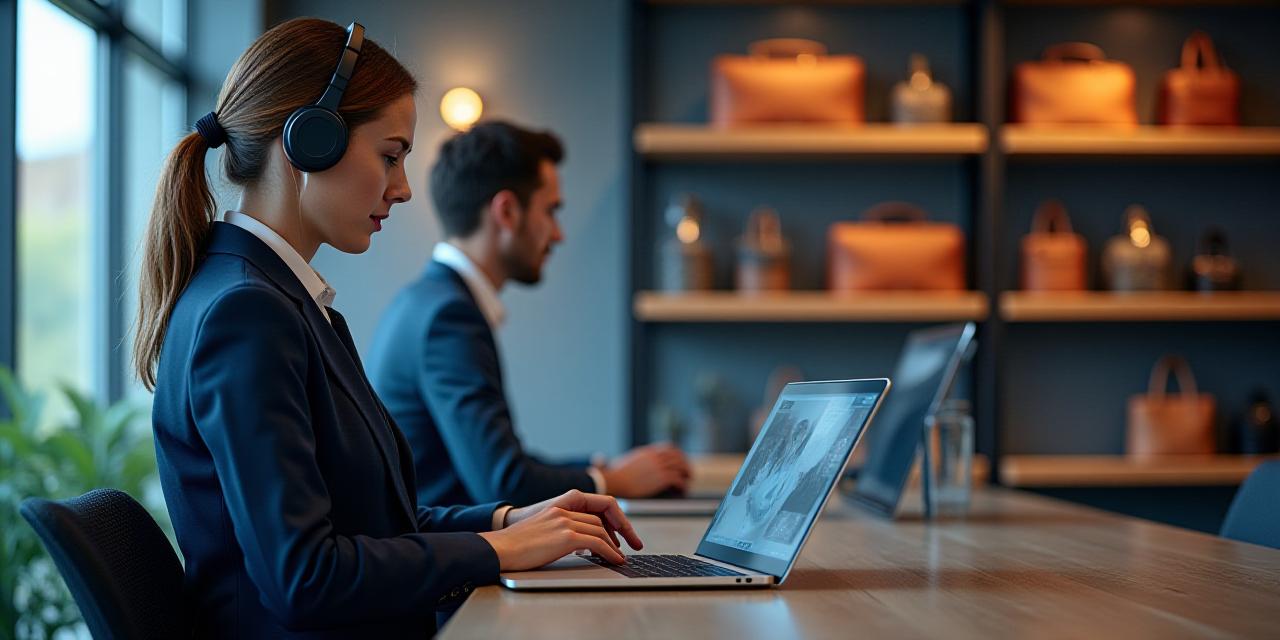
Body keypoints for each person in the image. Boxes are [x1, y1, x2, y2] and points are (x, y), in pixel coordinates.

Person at [135, 19, 640, 638]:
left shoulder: (276, 299)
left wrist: (511, 521)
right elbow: (306, 576)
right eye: (390, 156)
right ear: (308, 142)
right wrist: (499, 551)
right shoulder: (248, 313)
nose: (402, 190)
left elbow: (373, 526)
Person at [367, 121, 691, 508]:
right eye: (551, 211)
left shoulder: (426, 301)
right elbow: (503, 482)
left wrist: (601, 468)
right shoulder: (448, 318)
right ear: (506, 211)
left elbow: (500, 464)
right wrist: (612, 480)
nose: (558, 235)